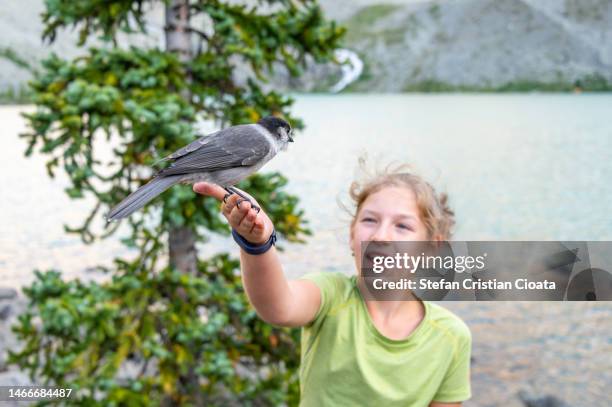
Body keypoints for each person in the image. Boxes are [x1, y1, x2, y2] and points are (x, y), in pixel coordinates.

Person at [193, 162, 472, 407]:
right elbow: (278, 306)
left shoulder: (451, 336)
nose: (381, 235)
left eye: (403, 226)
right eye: (370, 220)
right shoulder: (330, 294)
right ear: (352, 235)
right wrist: (257, 243)